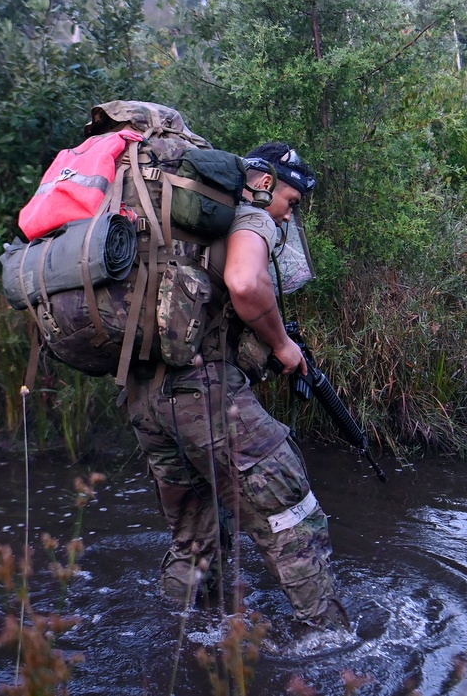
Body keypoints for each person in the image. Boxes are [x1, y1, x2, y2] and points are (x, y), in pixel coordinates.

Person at [125, 142, 348, 630]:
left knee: (195, 540)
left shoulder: (173, 225)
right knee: (296, 519)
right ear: (267, 183)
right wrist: (284, 345)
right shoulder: (251, 215)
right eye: (291, 203)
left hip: (145, 400)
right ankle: (332, 644)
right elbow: (245, 284)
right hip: (206, 395)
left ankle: (184, 641)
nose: (288, 218)